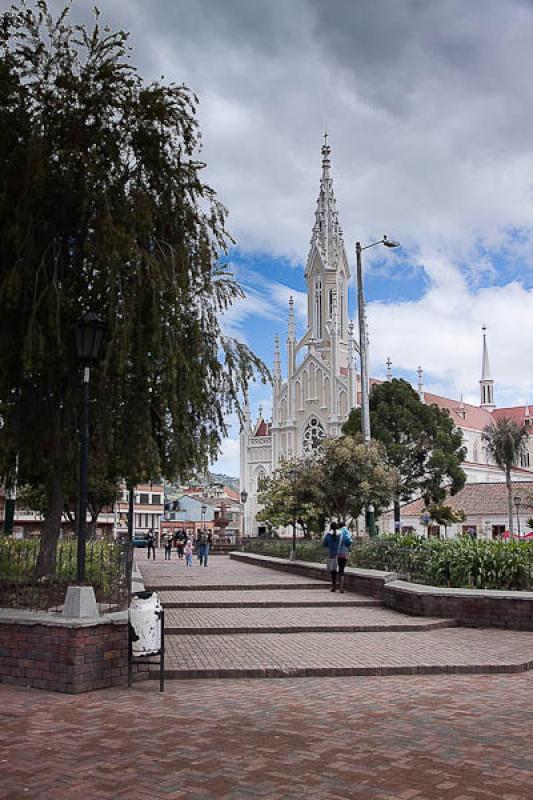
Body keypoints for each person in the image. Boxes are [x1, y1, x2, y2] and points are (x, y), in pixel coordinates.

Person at [322, 521, 352, 592]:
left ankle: (334, 588)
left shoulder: (328, 535)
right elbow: (349, 542)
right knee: (342, 570)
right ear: (338, 527)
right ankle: (341, 588)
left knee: (333, 572)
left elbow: (325, 544)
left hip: (332, 555)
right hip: (342, 554)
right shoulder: (342, 534)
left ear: (330, 527)